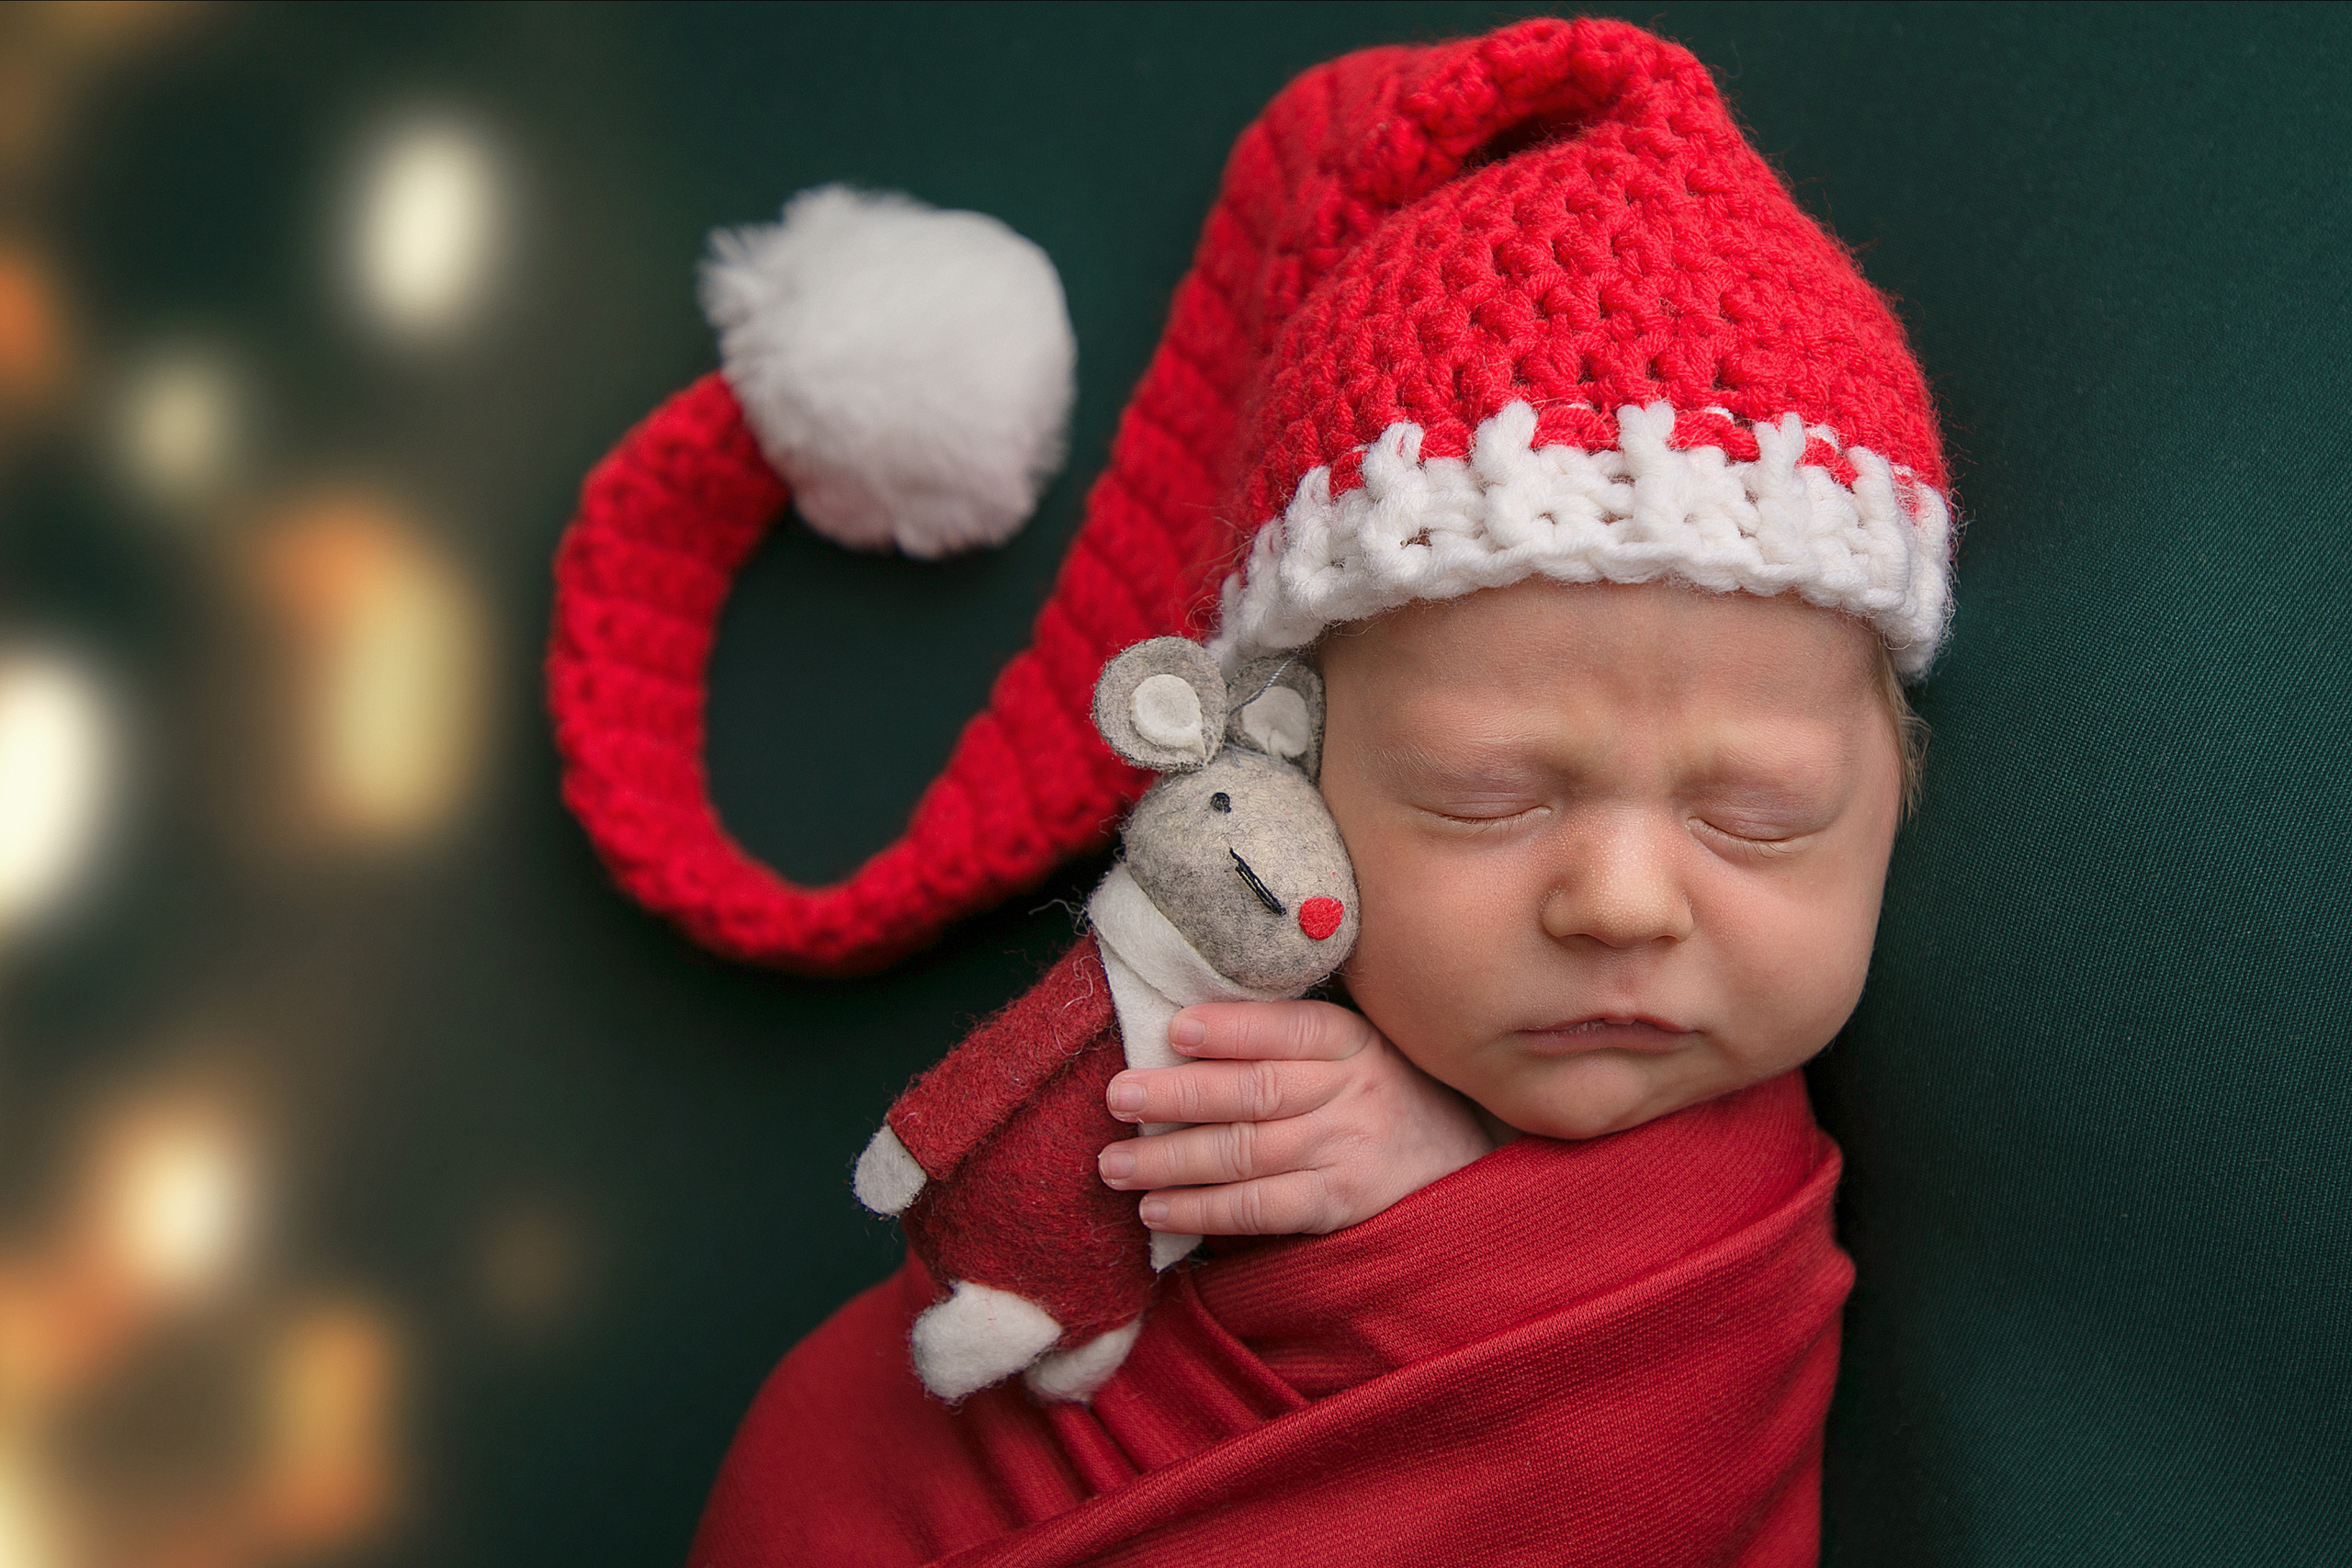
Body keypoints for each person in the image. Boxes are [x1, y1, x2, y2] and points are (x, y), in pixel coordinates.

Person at [662, 15, 1954, 1565]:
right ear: (1280, 759)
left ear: (1896, 797)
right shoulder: (1201, 1018)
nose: (1620, 900)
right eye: (1485, 797)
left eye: (1757, 816)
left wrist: (1450, 1197)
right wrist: (1370, 1204)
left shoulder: (1740, 1234)